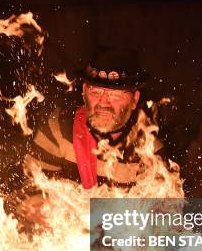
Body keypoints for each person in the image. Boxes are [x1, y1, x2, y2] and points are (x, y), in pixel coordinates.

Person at [22, 49, 151, 189]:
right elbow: (32, 192)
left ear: (134, 100)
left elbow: (158, 207)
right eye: (95, 92)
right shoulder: (58, 127)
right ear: (84, 92)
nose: (103, 103)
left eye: (115, 95)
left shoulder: (148, 147)